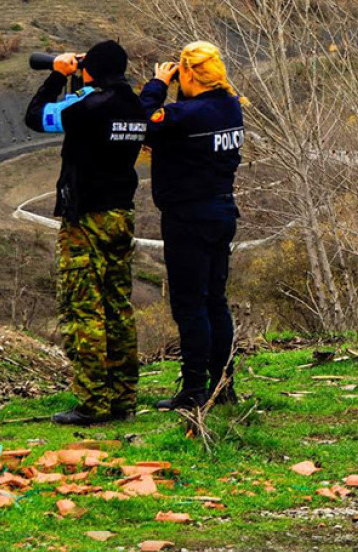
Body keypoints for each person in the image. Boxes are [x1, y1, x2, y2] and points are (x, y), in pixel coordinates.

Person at [24, 40, 147, 425]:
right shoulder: (135, 105)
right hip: (120, 213)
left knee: (83, 309)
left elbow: (36, 116)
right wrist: (84, 76)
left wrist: (57, 76)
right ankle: (123, 396)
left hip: (86, 218)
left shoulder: (89, 106)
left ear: (90, 70)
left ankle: (93, 401)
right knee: (117, 307)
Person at [140, 41, 245, 410]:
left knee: (190, 304)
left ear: (187, 73)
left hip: (188, 216)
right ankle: (223, 384)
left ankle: (194, 390)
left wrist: (157, 85)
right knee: (216, 300)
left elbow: (142, 122)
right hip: (222, 211)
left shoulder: (187, 114)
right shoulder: (230, 106)